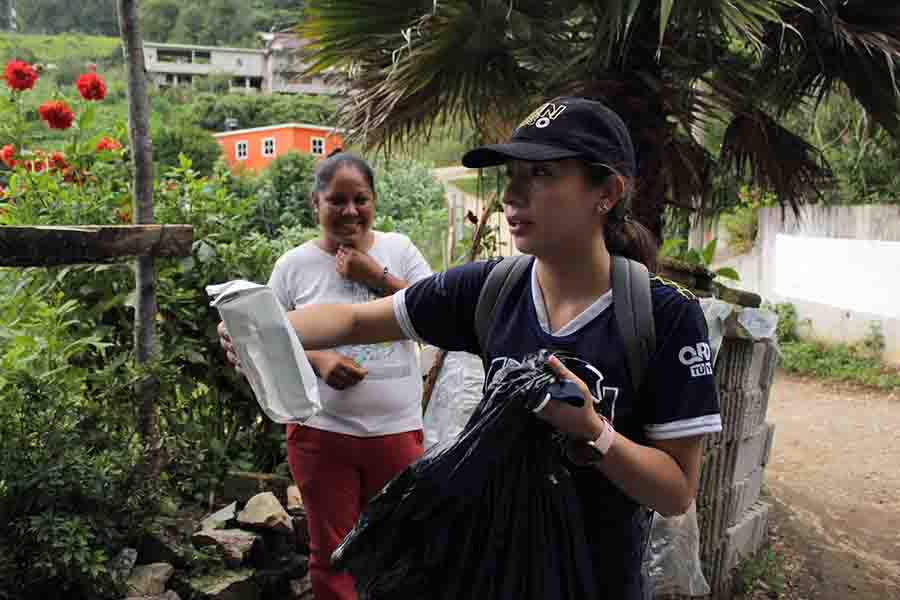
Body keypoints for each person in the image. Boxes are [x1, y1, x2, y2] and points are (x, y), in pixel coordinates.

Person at [222, 97, 722, 599]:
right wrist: (265, 331)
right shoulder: (488, 290)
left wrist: (594, 432)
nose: (513, 193)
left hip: (596, 580)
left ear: (607, 192)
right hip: (488, 572)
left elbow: (675, 491)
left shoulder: (664, 316)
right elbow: (354, 318)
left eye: (542, 174)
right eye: (513, 173)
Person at [264, 151, 433, 600]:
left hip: (396, 432)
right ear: (314, 203)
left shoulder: (400, 250)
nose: (350, 211)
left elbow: (437, 314)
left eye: (360, 199)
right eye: (336, 200)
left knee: (397, 547)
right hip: (320, 434)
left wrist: (374, 274)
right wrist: (319, 361)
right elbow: (266, 343)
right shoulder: (292, 266)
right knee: (333, 554)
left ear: (374, 201)